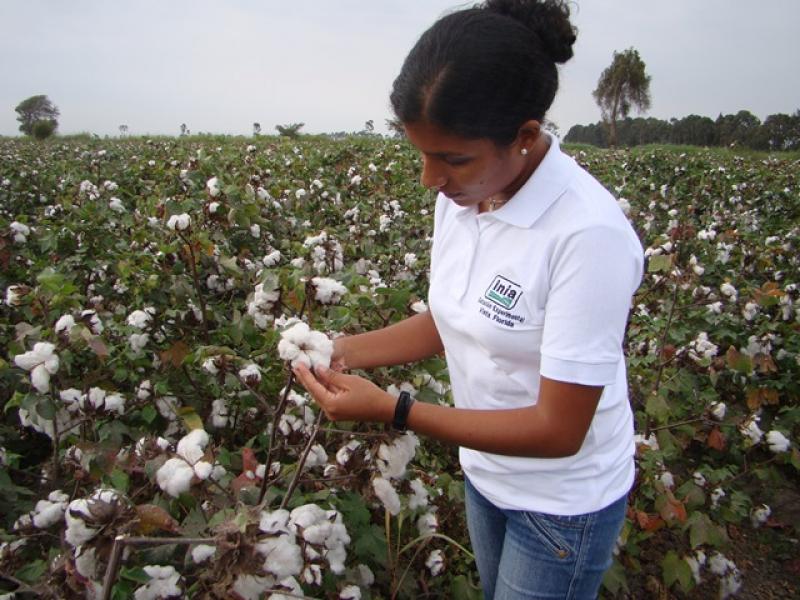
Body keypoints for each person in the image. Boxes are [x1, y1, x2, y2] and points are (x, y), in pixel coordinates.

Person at [293, 0, 644, 598]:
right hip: (484, 473)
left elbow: (559, 430)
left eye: (453, 158)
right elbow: (452, 319)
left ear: (525, 137)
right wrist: (339, 349)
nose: (430, 178)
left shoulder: (588, 235)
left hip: (562, 504)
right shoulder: (464, 196)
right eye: (423, 154)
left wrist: (395, 410)